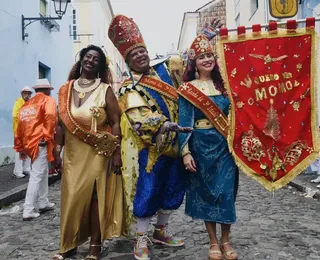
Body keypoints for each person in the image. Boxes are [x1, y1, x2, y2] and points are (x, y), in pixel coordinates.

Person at [108, 14, 191, 260]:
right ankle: (141, 238)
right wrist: (163, 125)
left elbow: (188, 71)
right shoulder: (128, 87)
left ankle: (160, 232)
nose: (141, 56)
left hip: (177, 144)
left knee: (173, 188)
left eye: (143, 51)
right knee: (148, 191)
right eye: (135, 54)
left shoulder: (164, 70)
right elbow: (138, 115)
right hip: (150, 148)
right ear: (127, 60)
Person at [52, 45, 123, 260]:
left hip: (98, 153)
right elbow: (59, 125)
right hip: (73, 154)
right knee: (71, 197)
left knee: (94, 197)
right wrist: (57, 151)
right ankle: (68, 243)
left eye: (96, 59)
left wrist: (116, 152)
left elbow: (116, 122)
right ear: (81, 60)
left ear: (100, 65)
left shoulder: (105, 90)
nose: (91, 61)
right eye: (88, 57)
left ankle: (95, 245)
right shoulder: (65, 89)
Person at [178, 35, 239, 260]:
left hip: (225, 146)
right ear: (194, 62)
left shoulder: (225, 85)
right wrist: (185, 153)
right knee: (206, 194)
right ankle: (213, 241)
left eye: (209, 55)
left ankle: (226, 240)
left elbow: (237, 114)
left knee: (225, 193)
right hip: (200, 146)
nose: (207, 59)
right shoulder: (187, 89)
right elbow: (184, 122)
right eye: (202, 56)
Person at [14, 79, 57, 221]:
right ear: (47, 90)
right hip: (41, 142)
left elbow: (19, 127)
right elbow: (51, 117)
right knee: (37, 174)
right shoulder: (47, 100)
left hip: (29, 144)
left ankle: (43, 201)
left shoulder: (26, 105)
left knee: (42, 171)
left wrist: (20, 147)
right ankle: (28, 208)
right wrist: (47, 136)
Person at [12, 86, 32, 178]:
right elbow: (15, 114)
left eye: (29, 93)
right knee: (19, 150)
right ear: (22, 94)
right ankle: (17, 171)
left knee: (27, 149)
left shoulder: (30, 103)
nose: (27, 95)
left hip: (28, 131)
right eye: (25, 93)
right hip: (19, 130)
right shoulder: (18, 101)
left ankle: (26, 168)